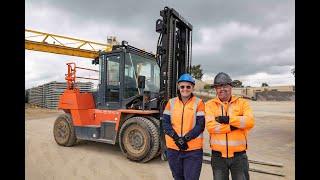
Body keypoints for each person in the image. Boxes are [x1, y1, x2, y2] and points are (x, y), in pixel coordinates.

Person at [205, 72, 255, 180]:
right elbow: (211, 127)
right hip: (218, 157)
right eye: (218, 86)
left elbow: (249, 121)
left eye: (225, 86)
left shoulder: (242, 103)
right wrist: (234, 126)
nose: (221, 89)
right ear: (215, 89)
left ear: (231, 87)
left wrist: (228, 120)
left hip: (239, 157)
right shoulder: (209, 105)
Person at [162, 73, 205, 180]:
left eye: (188, 87)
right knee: (178, 178)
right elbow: (165, 123)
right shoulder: (171, 103)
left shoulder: (199, 103)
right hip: (173, 149)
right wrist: (176, 138)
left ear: (192, 88)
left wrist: (185, 139)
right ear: (178, 87)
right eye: (182, 86)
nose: (185, 89)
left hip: (193, 151)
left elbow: (200, 125)